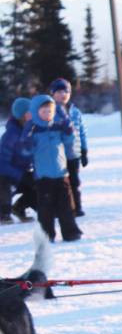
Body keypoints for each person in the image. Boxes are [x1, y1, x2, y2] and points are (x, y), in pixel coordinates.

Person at [28, 94, 82, 243]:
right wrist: (26, 136)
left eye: (50, 111)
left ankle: (71, 232)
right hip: (43, 177)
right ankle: (46, 235)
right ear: (35, 112)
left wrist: (67, 127)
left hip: (61, 174)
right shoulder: (34, 131)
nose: (47, 114)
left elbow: (70, 140)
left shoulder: (57, 127)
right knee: (46, 210)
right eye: (44, 111)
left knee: (67, 206)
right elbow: (26, 150)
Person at [49, 78, 88, 216]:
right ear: (53, 94)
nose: (63, 94)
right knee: (60, 183)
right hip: (58, 155)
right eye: (59, 91)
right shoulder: (50, 112)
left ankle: (76, 207)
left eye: (66, 91)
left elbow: (81, 132)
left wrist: (84, 150)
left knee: (75, 182)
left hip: (73, 154)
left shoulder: (75, 111)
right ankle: (61, 208)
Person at [0, 98, 34, 224]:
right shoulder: (11, 135)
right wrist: (20, 175)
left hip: (21, 173)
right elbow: (2, 164)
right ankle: (3, 213)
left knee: (39, 183)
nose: (33, 114)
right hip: (6, 175)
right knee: (3, 183)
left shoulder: (32, 132)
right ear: (22, 116)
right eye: (29, 112)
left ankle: (19, 207)